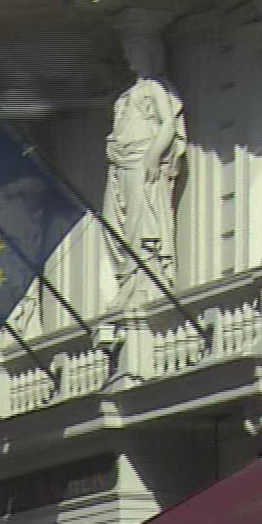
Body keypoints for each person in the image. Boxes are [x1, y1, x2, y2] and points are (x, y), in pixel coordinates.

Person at [102, 22, 187, 313]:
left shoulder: (154, 87)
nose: (130, 57)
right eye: (128, 52)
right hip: (121, 163)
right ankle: (128, 282)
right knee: (114, 224)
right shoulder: (126, 95)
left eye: (135, 51)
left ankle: (144, 283)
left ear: (150, 53)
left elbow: (168, 124)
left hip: (141, 161)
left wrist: (153, 154)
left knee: (142, 224)